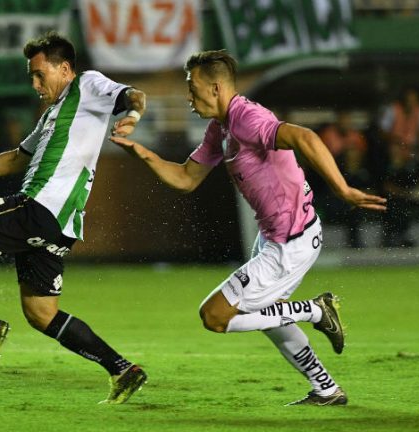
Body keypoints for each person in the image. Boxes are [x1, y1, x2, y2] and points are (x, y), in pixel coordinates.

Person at [111, 50, 386, 406]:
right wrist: (141, 153)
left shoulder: (247, 118)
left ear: (215, 88)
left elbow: (305, 138)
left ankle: (317, 310)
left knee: (215, 316)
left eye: (192, 89)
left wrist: (342, 188)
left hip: (291, 243)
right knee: (268, 318)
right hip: (275, 237)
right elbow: (186, 178)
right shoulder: (220, 128)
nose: (189, 98)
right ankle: (327, 389)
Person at [0, 32, 148, 404]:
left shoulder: (87, 85)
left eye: (40, 74)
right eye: (32, 76)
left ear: (65, 68)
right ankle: (122, 369)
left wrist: (132, 118)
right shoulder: (52, 116)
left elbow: (134, 96)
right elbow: (14, 158)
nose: (34, 83)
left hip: (39, 207)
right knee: (41, 313)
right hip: (59, 227)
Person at [378, 87, 419, 247]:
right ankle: (392, 237)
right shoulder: (393, 110)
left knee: (410, 191)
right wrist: (396, 143)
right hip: (394, 155)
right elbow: (382, 132)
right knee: (395, 200)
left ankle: (401, 236)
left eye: (414, 100)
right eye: (408, 99)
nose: (410, 103)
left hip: (412, 155)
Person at [317, 110, 371, 248]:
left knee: (355, 205)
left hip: (352, 201)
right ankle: (355, 243)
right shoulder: (337, 169)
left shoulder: (362, 173)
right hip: (334, 199)